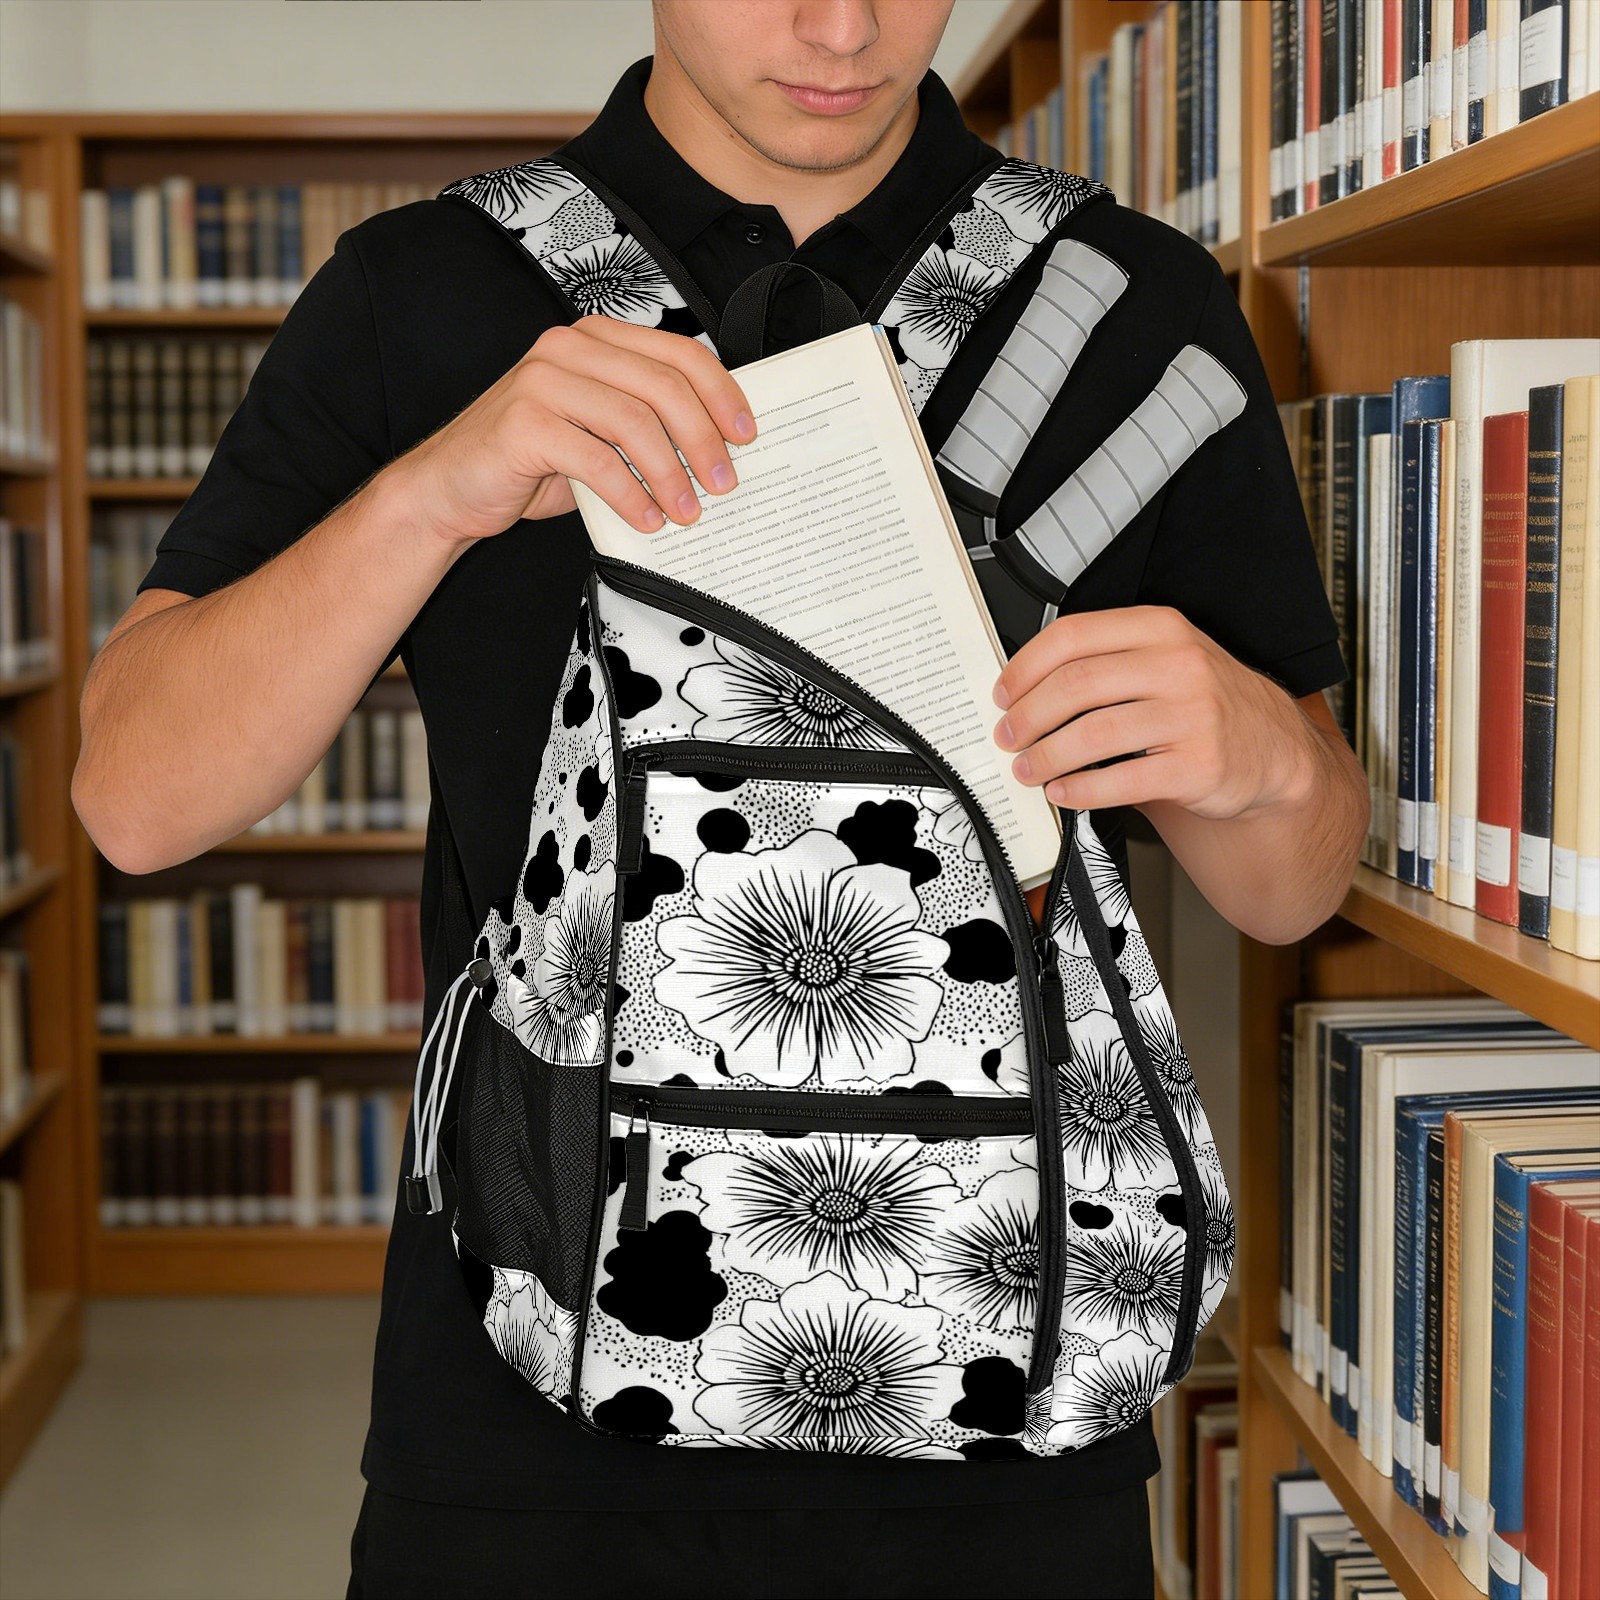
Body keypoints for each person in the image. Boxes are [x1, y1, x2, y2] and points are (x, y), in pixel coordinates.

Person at [70, 2, 1369, 1596]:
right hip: (523, 1429)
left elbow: (1292, 891)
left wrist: (1265, 753)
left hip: (1016, 1423)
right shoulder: (422, 293)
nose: (843, 26)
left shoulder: (1133, 304)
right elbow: (135, 799)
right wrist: (428, 497)